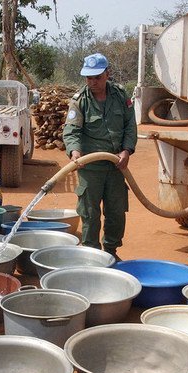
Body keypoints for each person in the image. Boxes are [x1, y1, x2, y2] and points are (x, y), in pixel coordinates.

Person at [62, 53, 136, 260]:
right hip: (90, 168)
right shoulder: (79, 101)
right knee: (90, 214)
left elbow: (130, 126)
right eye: (89, 78)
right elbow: (71, 131)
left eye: (97, 77)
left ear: (107, 73)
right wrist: (75, 151)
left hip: (116, 167)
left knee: (116, 212)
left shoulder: (121, 96)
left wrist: (126, 150)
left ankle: (111, 252)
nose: (93, 82)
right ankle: (92, 255)